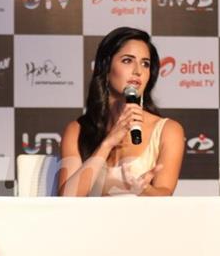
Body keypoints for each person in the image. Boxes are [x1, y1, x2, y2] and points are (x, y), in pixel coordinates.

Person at [58, 27, 184, 196]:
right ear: (106, 68)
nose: (138, 71)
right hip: (90, 222)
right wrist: (107, 143)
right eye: (127, 61)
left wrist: (143, 189)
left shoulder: (168, 130)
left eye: (145, 64)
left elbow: (165, 196)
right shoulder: (77, 130)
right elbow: (67, 197)